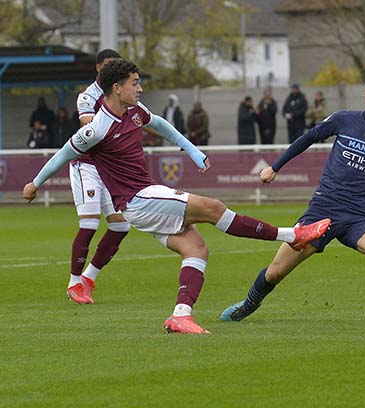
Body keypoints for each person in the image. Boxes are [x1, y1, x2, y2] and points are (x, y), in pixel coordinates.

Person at [23, 59, 331, 334]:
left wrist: (193, 151)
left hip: (145, 198)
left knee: (197, 249)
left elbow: (161, 125)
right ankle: (293, 236)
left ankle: (181, 315)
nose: (140, 88)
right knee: (213, 208)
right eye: (135, 83)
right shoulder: (96, 129)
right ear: (117, 88)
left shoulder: (135, 112)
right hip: (137, 201)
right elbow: (62, 155)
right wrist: (35, 184)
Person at [220, 69, 365, 328]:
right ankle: (247, 305)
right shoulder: (344, 120)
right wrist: (275, 167)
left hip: (361, 217)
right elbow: (308, 138)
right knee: (275, 272)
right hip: (322, 212)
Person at [57, 48, 127, 305]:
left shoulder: (122, 94)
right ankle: (74, 282)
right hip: (86, 165)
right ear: (98, 68)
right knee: (89, 224)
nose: (112, 71)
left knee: (121, 225)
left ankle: (88, 278)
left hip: (107, 166)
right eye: (109, 66)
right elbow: (90, 126)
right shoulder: (88, 96)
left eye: (116, 66)